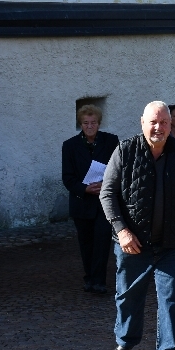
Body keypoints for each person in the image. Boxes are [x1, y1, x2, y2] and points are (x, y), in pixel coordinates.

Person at [100, 101, 175, 350]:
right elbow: (107, 194)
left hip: (171, 244)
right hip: (133, 243)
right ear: (142, 122)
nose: (159, 127)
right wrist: (122, 231)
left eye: (164, 122)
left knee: (171, 298)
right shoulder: (125, 151)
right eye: (153, 122)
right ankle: (125, 341)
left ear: (171, 125)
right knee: (129, 296)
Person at [62, 104, 119, 294]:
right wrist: (85, 189)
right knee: (86, 242)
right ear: (80, 124)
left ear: (99, 123)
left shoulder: (111, 141)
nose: (89, 126)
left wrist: (106, 185)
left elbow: (118, 169)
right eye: (86, 123)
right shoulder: (70, 145)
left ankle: (99, 280)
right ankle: (89, 277)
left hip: (104, 201)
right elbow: (68, 177)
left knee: (102, 240)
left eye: (93, 122)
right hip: (82, 201)